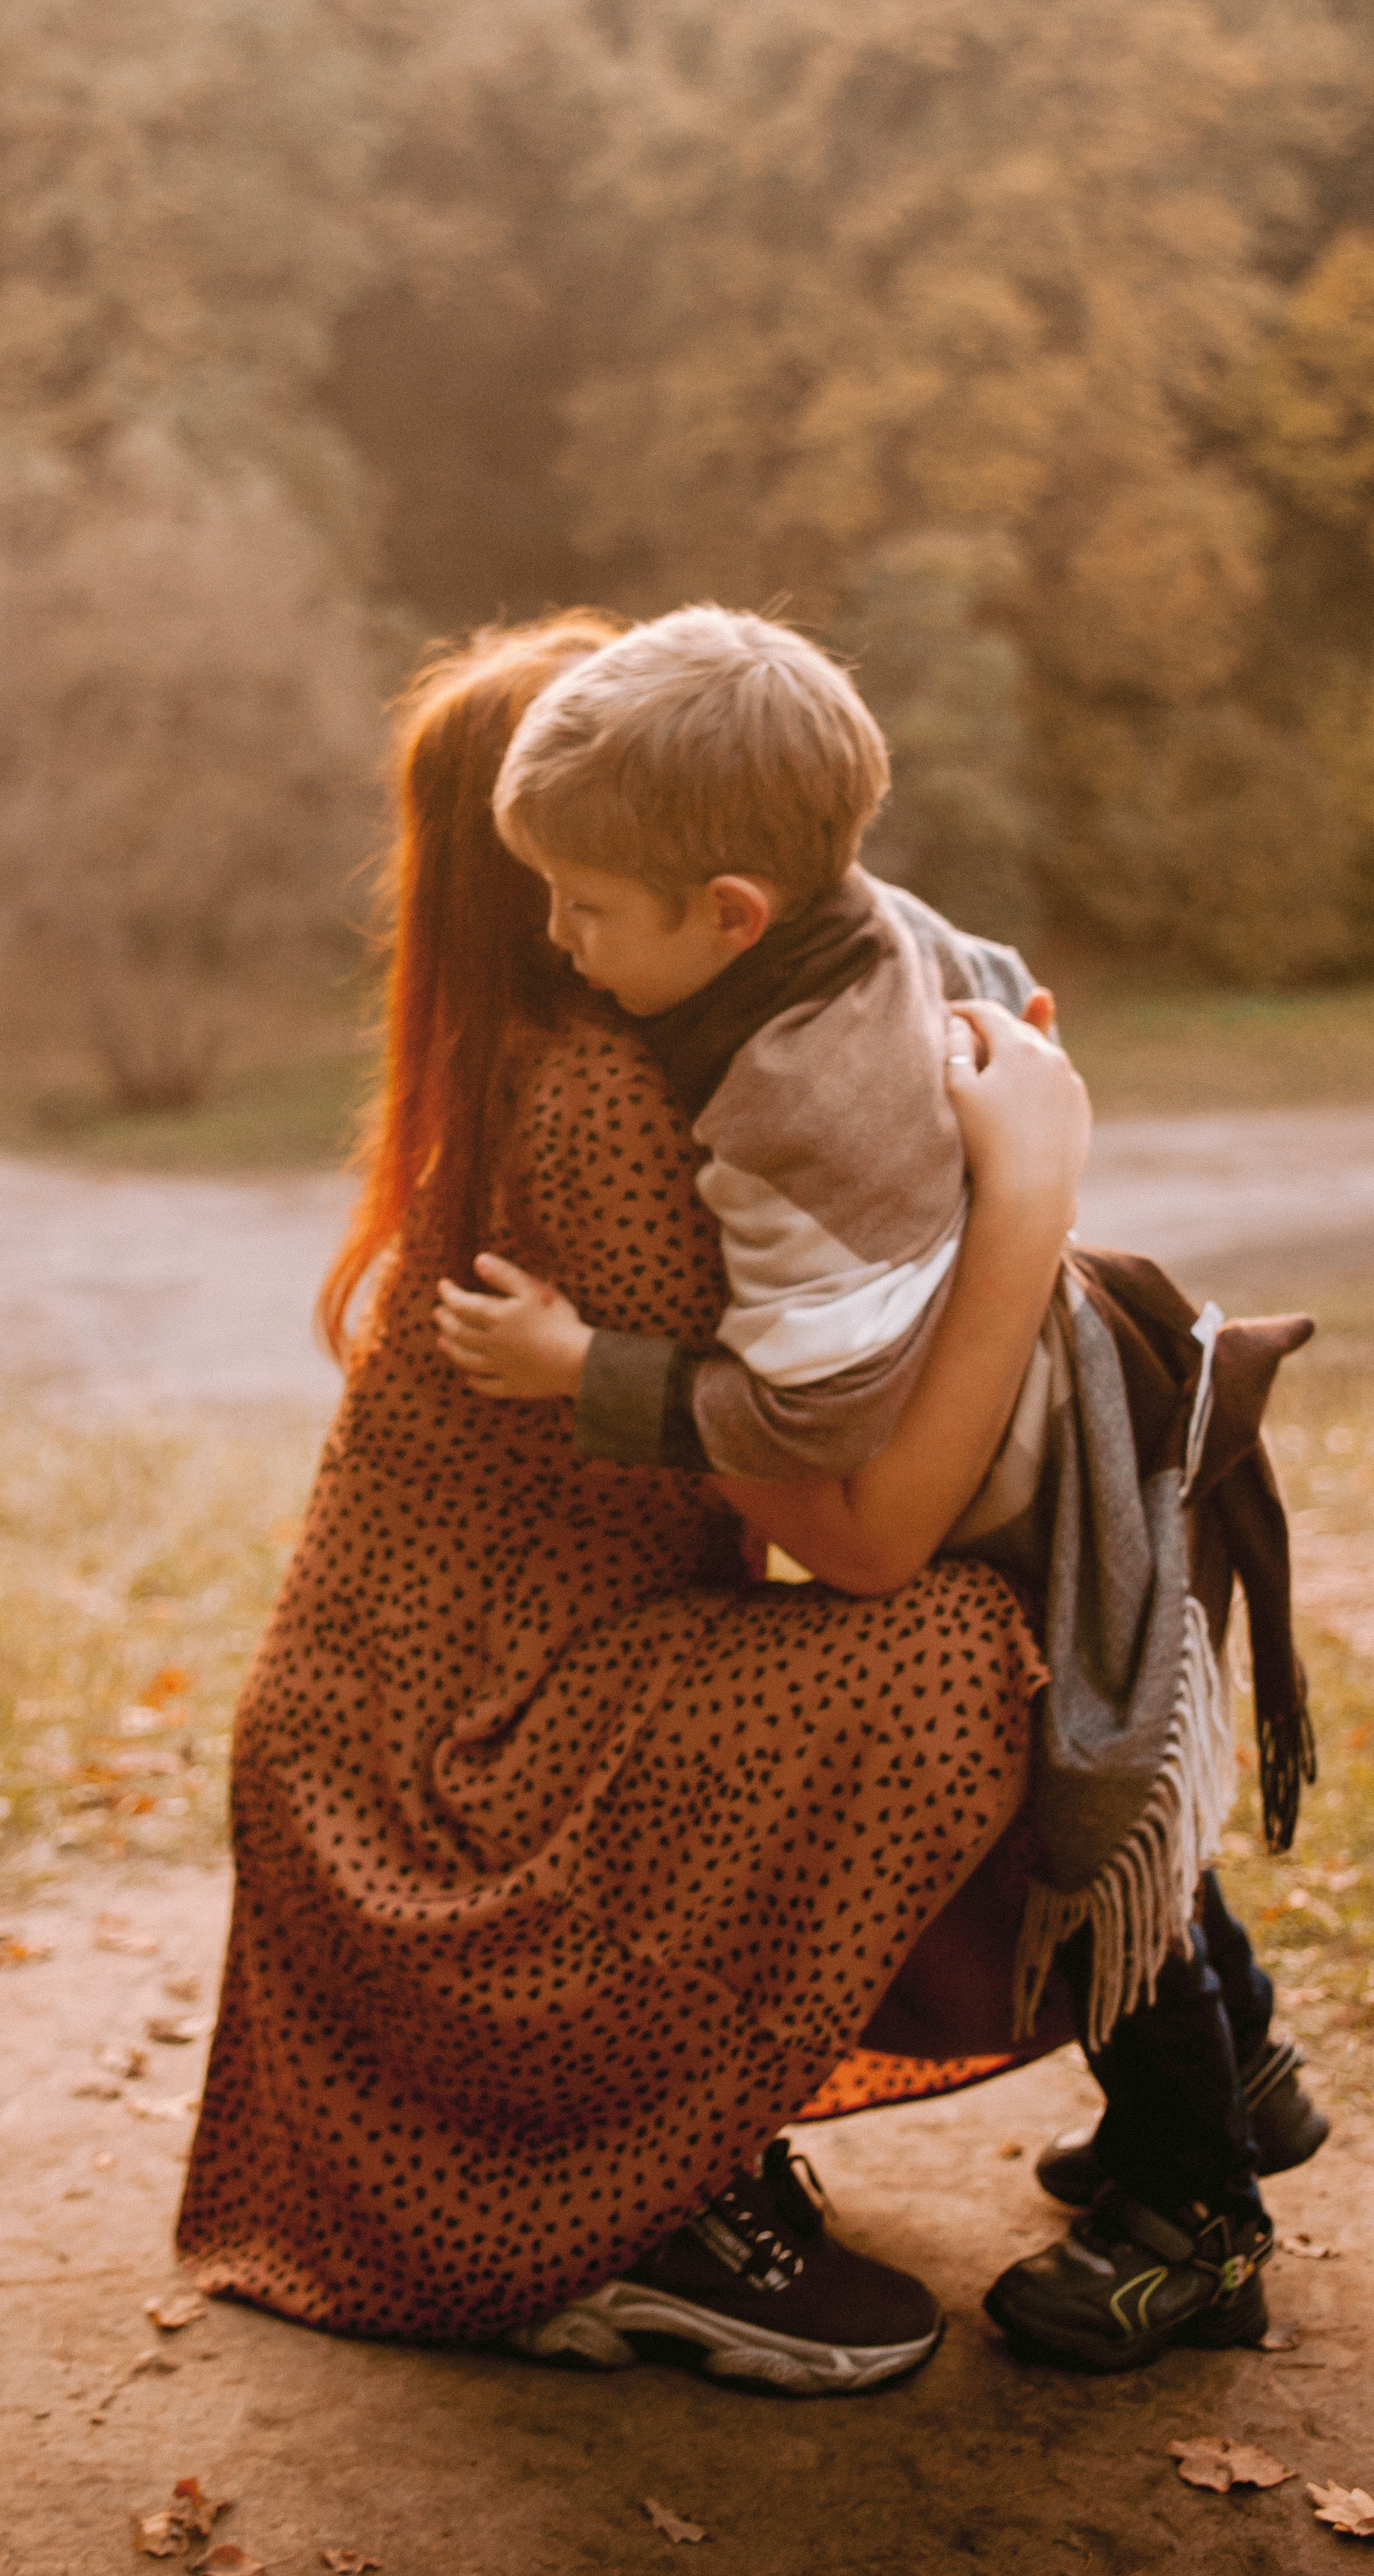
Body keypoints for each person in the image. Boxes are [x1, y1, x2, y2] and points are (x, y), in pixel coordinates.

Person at [174, 612, 1086, 2394]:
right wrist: (1030, 1208)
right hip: (445, 1797)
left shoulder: (634, 1055)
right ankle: (610, 2222)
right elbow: (871, 1533)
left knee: (992, 1626)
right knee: (956, 1650)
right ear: (546, 892)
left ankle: (692, 2155)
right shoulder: (605, 1113)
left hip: (464, 1724)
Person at [436, 606, 1325, 2372]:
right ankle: (1248, 2078)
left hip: (1014, 1478)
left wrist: (586, 1375)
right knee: (1120, 1774)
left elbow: (817, 1401)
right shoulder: (869, 923)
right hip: (1079, 1387)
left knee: (1082, 1796)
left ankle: (1198, 2218)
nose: (556, 938)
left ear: (727, 916)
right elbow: (993, 978)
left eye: (586, 912)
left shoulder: (777, 1108)